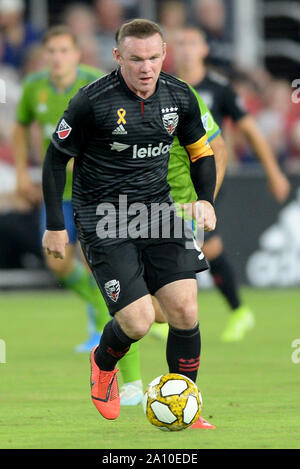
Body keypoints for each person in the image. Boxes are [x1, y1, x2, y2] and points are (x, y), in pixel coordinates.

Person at [42, 19, 217, 425]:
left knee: (185, 311)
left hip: (157, 211)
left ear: (164, 53)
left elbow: (200, 152)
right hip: (103, 217)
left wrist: (205, 200)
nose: (146, 67)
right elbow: (55, 159)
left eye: (154, 57)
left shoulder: (179, 95)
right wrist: (55, 224)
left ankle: (184, 406)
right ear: (118, 56)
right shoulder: (91, 101)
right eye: (136, 59)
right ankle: (103, 363)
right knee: (138, 321)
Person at [174, 26, 291, 341]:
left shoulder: (219, 88)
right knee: (207, 246)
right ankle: (236, 311)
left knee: (195, 243)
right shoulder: (165, 86)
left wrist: (274, 173)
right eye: (180, 43)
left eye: (192, 43)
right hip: (169, 180)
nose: (185, 49)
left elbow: (251, 131)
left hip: (206, 177)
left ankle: (172, 314)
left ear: (203, 50)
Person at [13, 26, 112, 351]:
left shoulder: (95, 81)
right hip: (56, 191)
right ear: (44, 56)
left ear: (76, 54)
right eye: (51, 51)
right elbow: (20, 125)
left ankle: (102, 325)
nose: (57, 57)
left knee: (93, 259)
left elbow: (112, 128)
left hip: (93, 189)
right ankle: (102, 308)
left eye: (64, 50)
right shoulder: (33, 87)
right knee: (56, 260)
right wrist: (23, 174)